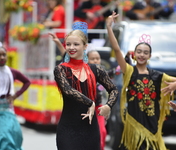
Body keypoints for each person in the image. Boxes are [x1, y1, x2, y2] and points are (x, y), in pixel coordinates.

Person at [106, 11, 176, 150]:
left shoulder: (157, 75)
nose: (142, 55)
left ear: (149, 56)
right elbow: (116, 49)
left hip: (151, 125)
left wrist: (174, 84)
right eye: (139, 52)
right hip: (133, 124)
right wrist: (109, 27)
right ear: (134, 54)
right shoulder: (128, 71)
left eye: (145, 53)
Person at [53, 21, 119, 150]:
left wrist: (108, 106)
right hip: (68, 129)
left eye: (76, 44)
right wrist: (90, 103)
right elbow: (68, 90)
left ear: (85, 46)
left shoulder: (96, 69)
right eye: (68, 44)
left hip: (90, 129)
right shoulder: (60, 69)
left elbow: (114, 89)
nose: (71, 47)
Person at [43, 0, 66, 65]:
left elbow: (58, 23)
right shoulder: (56, 9)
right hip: (57, 36)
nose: (50, 3)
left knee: (58, 56)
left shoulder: (59, 9)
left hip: (60, 37)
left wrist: (46, 24)